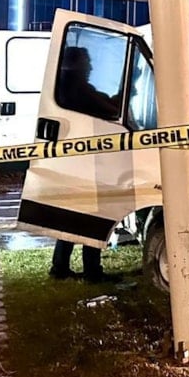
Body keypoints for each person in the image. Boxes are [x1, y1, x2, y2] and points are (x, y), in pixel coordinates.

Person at [50, 46, 122, 282]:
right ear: (77, 65)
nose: (90, 67)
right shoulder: (77, 89)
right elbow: (108, 108)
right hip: (85, 165)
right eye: (87, 62)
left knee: (73, 218)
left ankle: (60, 268)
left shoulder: (65, 86)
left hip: (73, 163)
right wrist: (125, 91)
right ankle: (92, 272)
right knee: (92, 219)